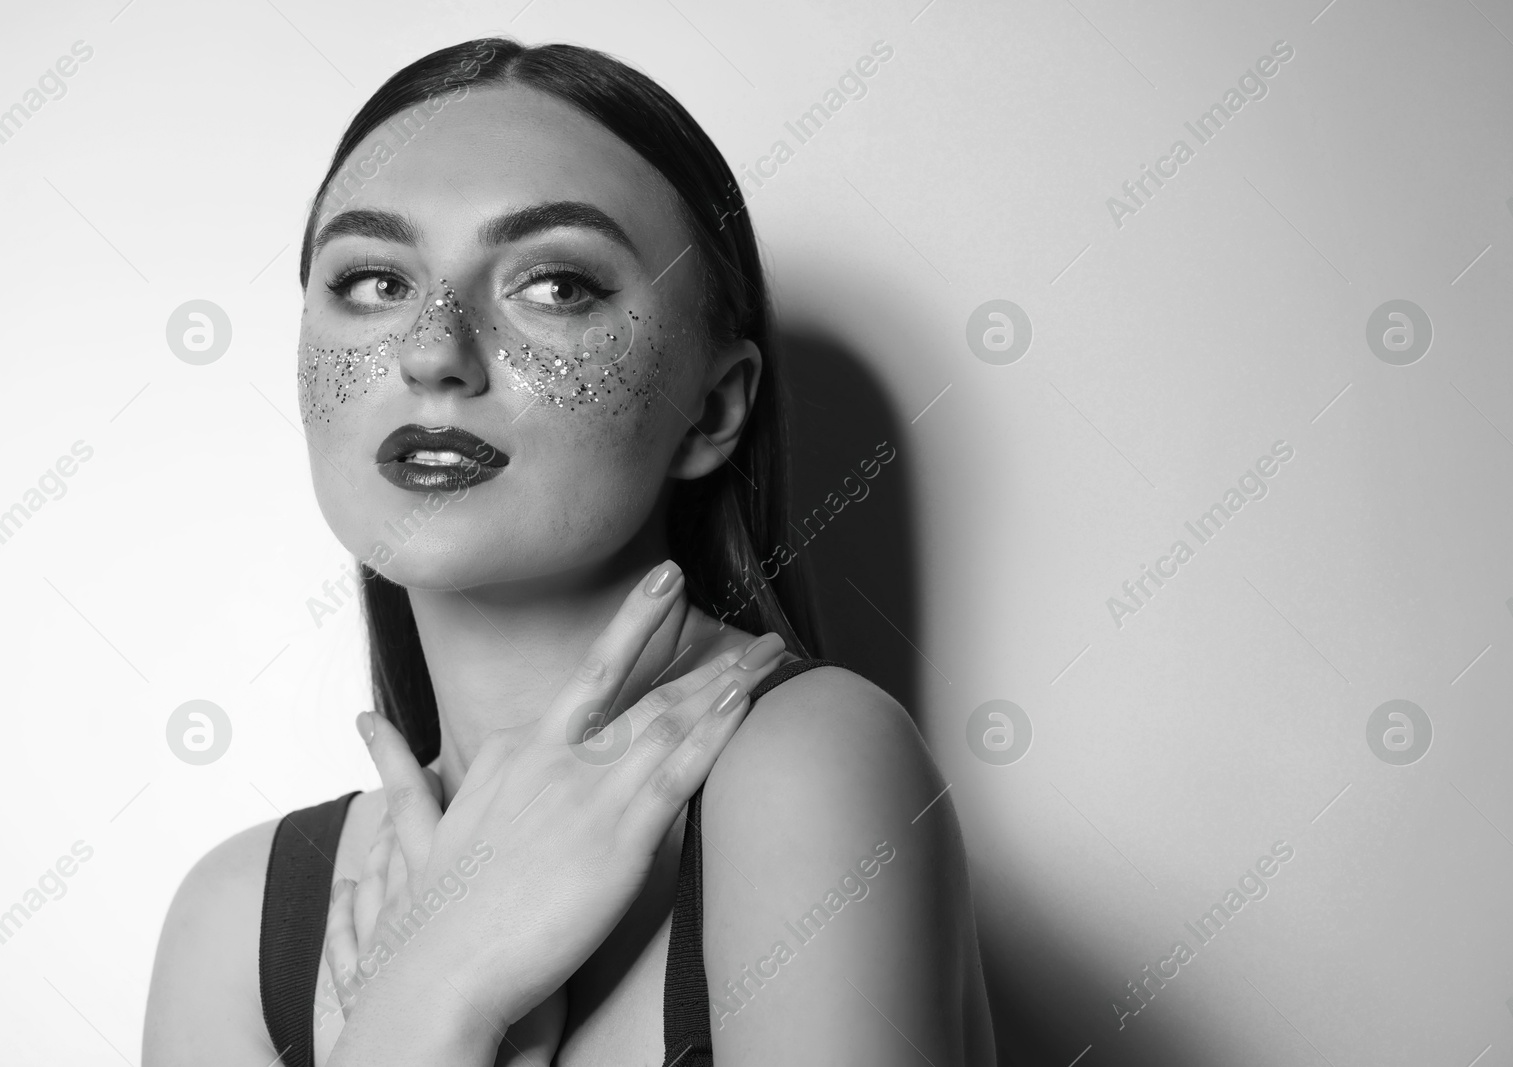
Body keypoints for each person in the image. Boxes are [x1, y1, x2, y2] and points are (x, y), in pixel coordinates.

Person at [142, 38, 995, 1066]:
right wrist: (426, 1002)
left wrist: (431, 993)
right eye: (372, 280)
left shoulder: (810, 765)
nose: (431, 349)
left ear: (713, 408)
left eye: (555, 286)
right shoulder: (239, 916)